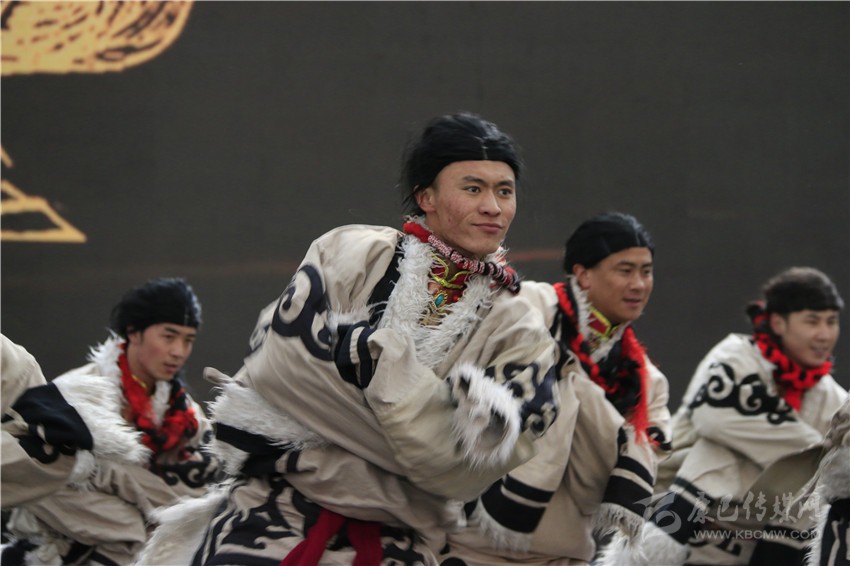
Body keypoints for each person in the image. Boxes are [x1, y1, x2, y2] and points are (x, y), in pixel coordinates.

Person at [138, 112, 561, 566]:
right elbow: (278, 369)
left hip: (401, 543)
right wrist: (421, 432)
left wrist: (380, 364)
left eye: (505, 191)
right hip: (270, 518)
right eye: (473, 189)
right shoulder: (353, 252)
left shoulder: (519, 327)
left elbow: (463, 472)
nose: (493, 207)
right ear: (427, 197)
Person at [439, 211, 672, 565]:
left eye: (646, 271)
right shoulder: (529, 310)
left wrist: (575, 388)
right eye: (625, 270)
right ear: (583, 273)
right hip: (469, 545)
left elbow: (630, 473)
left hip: (565, 555)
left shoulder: (646, 383)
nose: (639, 284)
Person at [632, 267, 848, 565]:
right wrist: (816, 455)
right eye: (812, 321)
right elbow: (715, 422)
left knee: (815, 487)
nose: (824, 334)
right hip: (682, 516)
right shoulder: (734, 357)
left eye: (831, 322)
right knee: (722, 448)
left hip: (757, 541)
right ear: (778, 322)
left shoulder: (834, 399)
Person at [4, 277, 219, 565]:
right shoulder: (78, 395)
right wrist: (127, 524)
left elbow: (199, 494)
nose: (178, 351)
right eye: (169, 337)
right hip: (56, 546)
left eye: (188, 340)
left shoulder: (189, 417)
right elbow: (38, 477)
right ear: (134, 332)